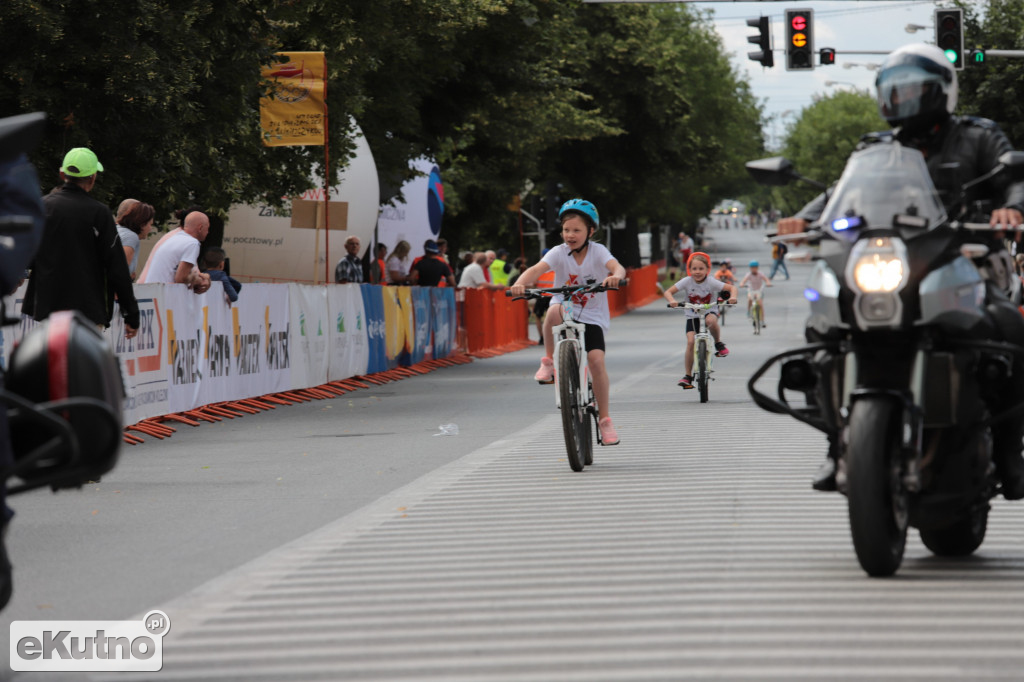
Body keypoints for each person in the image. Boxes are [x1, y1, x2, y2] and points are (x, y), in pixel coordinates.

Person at [776, 43, 1024, 497]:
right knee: (824, 330)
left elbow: (1015, 180)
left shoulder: (979, 136)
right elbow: (837, 195)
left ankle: (1010, 452)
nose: (902, 100)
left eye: (912, 90)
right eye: (894, 91)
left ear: (941, 92)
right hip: (891, 264)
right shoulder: (877, 148)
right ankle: (838, 445)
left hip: (965, 263)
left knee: (1007, 331)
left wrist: (1012, 208)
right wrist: (805, 219)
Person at [510, 199, 626, 446]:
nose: (570, 235)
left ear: (590, 231)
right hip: (566, 309)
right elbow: (536, 269)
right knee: (553, 312)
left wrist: (616, 277)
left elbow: (616, 267)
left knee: (596, 361)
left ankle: (605, 420)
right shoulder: (558, 252)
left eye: (576, 230)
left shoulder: (598, 251)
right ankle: (549, 362)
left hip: (592, 317)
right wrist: (520, 282)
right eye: (566, 230)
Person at [22, 147, 139, 339]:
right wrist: (131, 314)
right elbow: (117, 267)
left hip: (48, 308)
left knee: (54, 366)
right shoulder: (99, 213)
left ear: (62, 174)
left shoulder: (41, 207)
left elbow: (25, 256)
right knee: (85, 367)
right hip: (88, 309)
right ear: (92, 178)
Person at [663, 251, 737, 390]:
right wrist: (672, 300)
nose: (697, 272)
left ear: (707, 270)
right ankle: (687, 375)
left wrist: (732, 297)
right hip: (692, 315)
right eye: (694, 269)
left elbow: (732, 288)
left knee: (711, 321)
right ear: (689, 270)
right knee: (690, 341)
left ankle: (718, 343)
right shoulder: (686, 281)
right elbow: (668, 292)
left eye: (701, 269)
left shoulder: (711, 282)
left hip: (709, 310)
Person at [137, 210, 212, 293]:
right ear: (200, 228)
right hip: (164, 293)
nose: (208, 232)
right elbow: (181, 278)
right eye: (207, 228)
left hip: (151, 290)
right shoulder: (192, 243)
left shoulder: (174, 237)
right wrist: (197, 280)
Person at [115, 198, 155, 280]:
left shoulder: (116, 230)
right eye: (150, 224)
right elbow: (121, 268)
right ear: (142, 223)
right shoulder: (130, 236)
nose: (150, 229)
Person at [738, 260, 772, 327]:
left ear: (757, 268)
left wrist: (768, 283)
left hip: (759, 291)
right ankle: (748, 311)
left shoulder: (760, 274)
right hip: (751, 290)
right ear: (750, 268)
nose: (754, 269)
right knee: (750, 299)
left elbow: (766, 279)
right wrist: (742, 284)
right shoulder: (749, 275)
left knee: (760, 305)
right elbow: (743, 281)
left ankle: (762, 321)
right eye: (752, 268)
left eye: (755, 267)